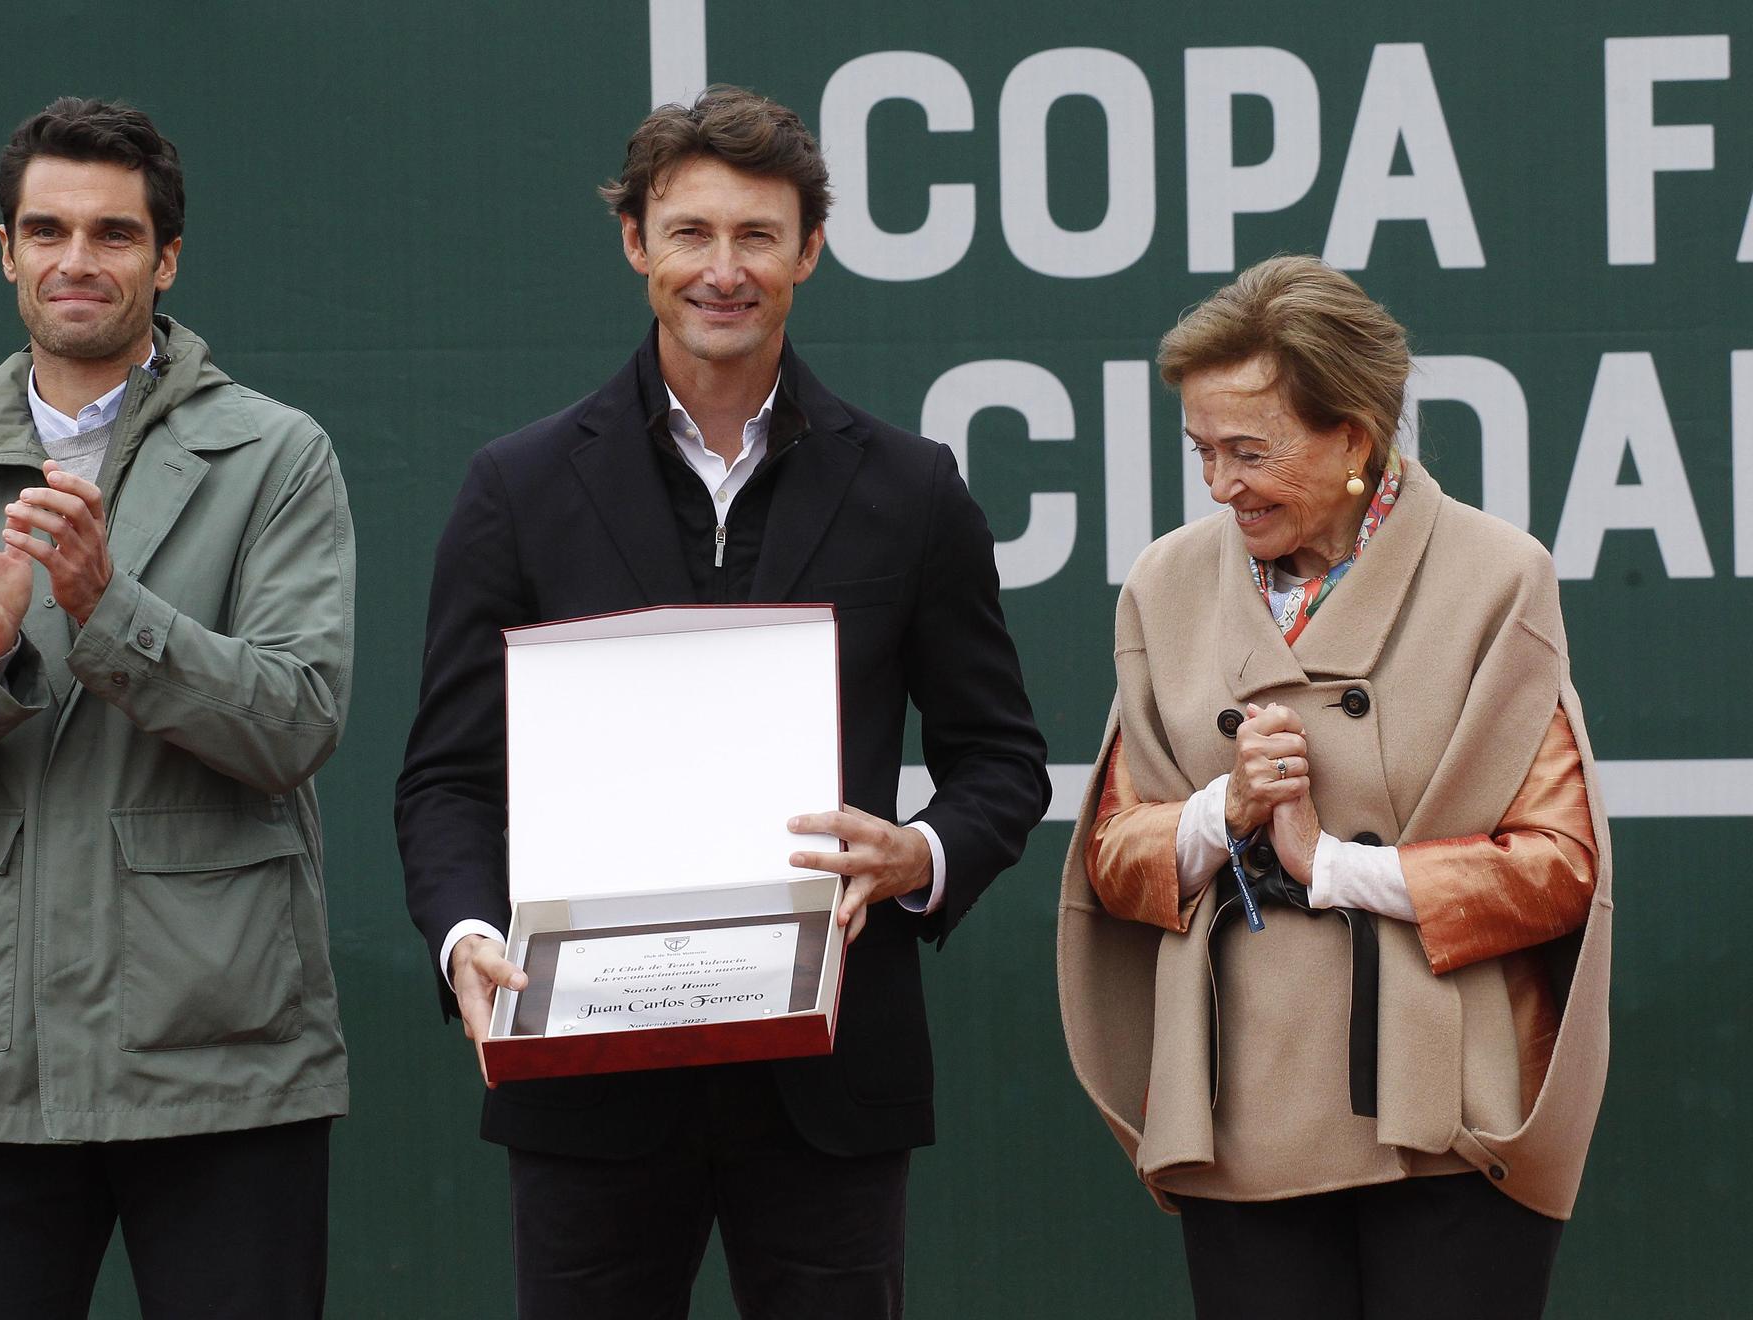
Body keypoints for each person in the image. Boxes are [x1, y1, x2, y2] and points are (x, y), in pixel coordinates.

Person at [394, 84, 1049, 1319]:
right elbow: (448, 779)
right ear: (636, 243)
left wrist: (919, 852)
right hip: (580, 1072)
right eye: (690, 233)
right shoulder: (519, 488)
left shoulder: (911, 490)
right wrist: (468, 938)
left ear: (809, 248)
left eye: (757, 235)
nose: (723, 270)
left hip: (828, 1081)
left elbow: (1000, 761)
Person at [0, 98, 353, 1319]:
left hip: (223, 1062)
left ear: (165, 261)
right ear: (5, 250)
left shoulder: (276, 455)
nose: (77, 260)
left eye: (113, 234)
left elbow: (296, 722)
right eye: (46, 229)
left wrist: (107, 612)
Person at [1057, 255, 1612, 1319]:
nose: (1219, 485)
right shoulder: (1164, 586)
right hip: (1238, 1107)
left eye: (1247, 452)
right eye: (1201, 453)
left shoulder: (1495, 577)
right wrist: (1227, 810)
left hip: (1443, 1114)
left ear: (1351, 436)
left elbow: (1558, 870)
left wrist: (1333, 866)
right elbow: (1115, 858)